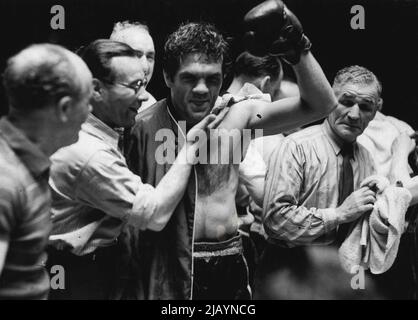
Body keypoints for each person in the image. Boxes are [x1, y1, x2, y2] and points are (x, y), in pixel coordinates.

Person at [127, 0, 337, 300]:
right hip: (168, 263)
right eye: (189, 78)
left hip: (228, 257)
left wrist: (298, 50)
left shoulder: (238, 116)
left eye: (212, 79)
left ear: (223, 78)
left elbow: (321, 105)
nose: (202, 89)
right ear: (167, 77)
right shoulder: (141, 126)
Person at [47, 39, 224, 299]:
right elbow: (154, 215)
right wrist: (190, 148)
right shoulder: (88, 152)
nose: (143, 97)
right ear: (96, 89)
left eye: (143, 84)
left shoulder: (82, 126)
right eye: (134, 86)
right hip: (76, 277)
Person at [0, 43, 93, 299]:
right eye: (87, 101)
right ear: (64, 108)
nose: (90, 111)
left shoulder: (25, 165)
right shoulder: (6, 180)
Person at [110, 21, 157, 111]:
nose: (145, 67)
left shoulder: (151, 108)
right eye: (136, 55)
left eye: (150, 57)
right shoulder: (85, 105)